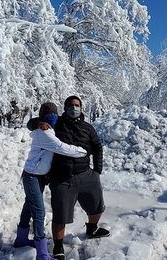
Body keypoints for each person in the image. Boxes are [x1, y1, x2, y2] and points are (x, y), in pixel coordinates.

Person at [27, 96, 109, 260]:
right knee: (60, 215)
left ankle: (92, 229)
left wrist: (97, 171)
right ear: (65, 108)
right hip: (62, 178)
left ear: (81, 107)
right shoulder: (56, 124)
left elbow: (98, 148)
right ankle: (58, 245)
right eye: (70, 105)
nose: (74, 108)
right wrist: (37, 123)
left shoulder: (88, 128)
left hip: (86, 174)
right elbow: (32, 124)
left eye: (77, 105)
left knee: (97, 206)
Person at [14, 102, 87, 260]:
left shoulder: (52, 126)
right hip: (32, 175)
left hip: (39, 176)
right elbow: (61, 147)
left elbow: (68, 120)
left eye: (55, 114)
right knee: (39, 211)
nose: (53, 117)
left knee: (29, 206)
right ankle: (42, 253)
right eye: (49, 115)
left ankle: (20, 239)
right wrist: (82, 151)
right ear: (42, 117)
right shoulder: (42, 131)